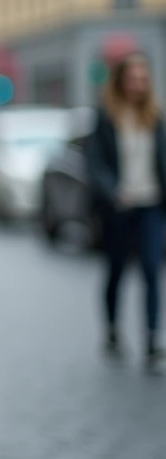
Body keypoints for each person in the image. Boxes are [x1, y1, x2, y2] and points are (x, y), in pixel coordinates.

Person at [85, 52, 164, 371]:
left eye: (143, 79)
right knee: (117, 270)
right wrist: (112, 191)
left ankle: (152, 342)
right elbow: (95, 163)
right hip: (119, 206)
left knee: (150, 270)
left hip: (151, 204)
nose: (138, 84)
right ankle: (113, 330)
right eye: (133, 78)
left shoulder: (154, 116)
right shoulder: (106, 116)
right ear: (120, 80)